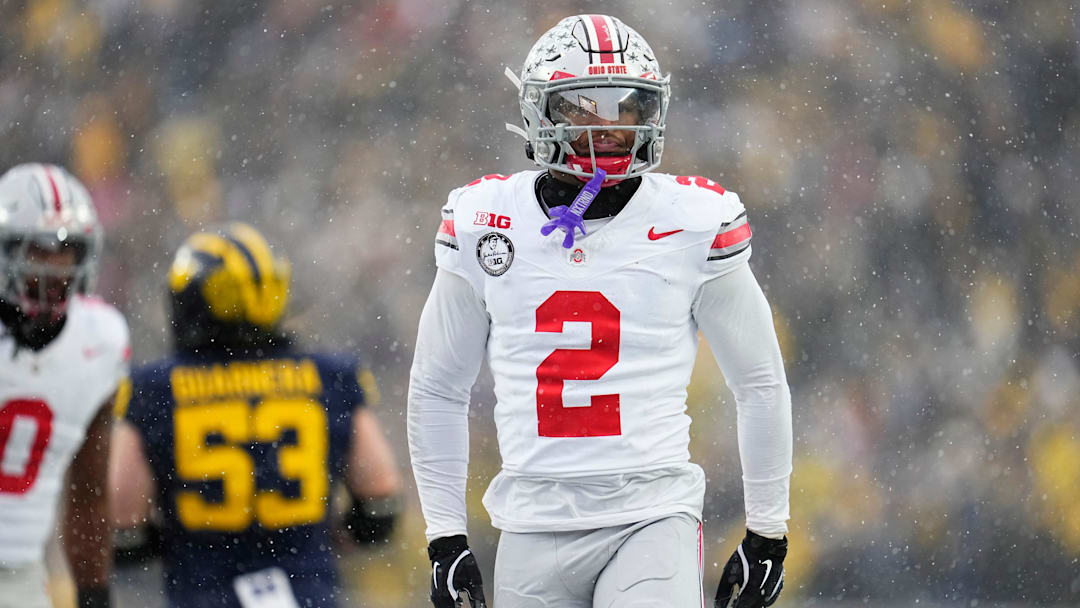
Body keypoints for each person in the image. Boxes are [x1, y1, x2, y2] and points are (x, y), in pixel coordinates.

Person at [408, 14, 792, 608]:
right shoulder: (485, 220)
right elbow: (438, 387)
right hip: (530, 520)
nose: (610, 127)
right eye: (585, 107)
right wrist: (445, 537)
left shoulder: (694, 220)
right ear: (540, 111)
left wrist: (768, 530)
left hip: (651, 513)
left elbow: (760, 381)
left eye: (628, 106)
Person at [109, 222, 402, 608]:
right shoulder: (331, 376)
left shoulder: (154, 388)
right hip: (306, 594)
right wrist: (321, 537)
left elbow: (123, 519)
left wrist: (177, 543)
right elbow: (379, 501)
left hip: (206, 595)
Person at [0, 163, 129, 608]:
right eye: (38, 251)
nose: (54, 268)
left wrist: (95, 596)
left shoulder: (99, 341)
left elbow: (88, 494)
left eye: (67, 251)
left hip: (18, 574)